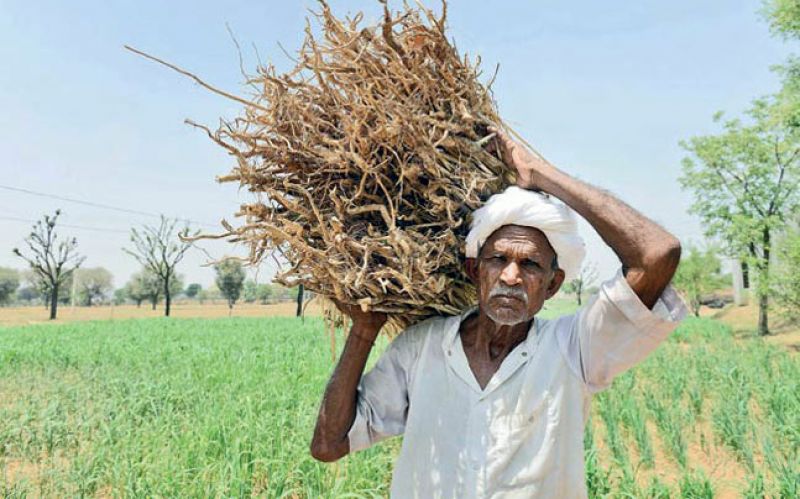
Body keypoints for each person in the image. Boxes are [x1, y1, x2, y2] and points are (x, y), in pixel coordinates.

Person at [309, 127, 688, 498]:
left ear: (553, 284)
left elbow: (657, 253)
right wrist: (364, 330)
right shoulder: (421, 348)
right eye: (498, 259)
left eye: (530, 265)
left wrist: (540, 174)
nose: (511, 276)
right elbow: (329, 444)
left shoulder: (575, 350)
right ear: (475, 271)